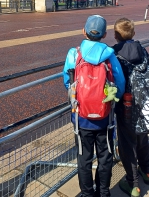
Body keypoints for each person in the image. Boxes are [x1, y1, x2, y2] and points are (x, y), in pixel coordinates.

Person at [63, 15, 125, 197]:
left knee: (84, 158)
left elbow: (68, 82)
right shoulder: (109, 54)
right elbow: (119, 83)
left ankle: (87, 193)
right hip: (105, 116)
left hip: (81, 116)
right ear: (105, 34)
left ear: (84, 31)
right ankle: (104, 192)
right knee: (105, 157)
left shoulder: (74, 53)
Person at [112, 18, 149, 197]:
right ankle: (147, 170)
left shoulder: (114, 53)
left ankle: (133, 185)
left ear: (115, 35)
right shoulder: (142, 50)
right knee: (143, 139)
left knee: (127, 146)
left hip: (126, 106)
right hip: (145, 105)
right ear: (133, 34)